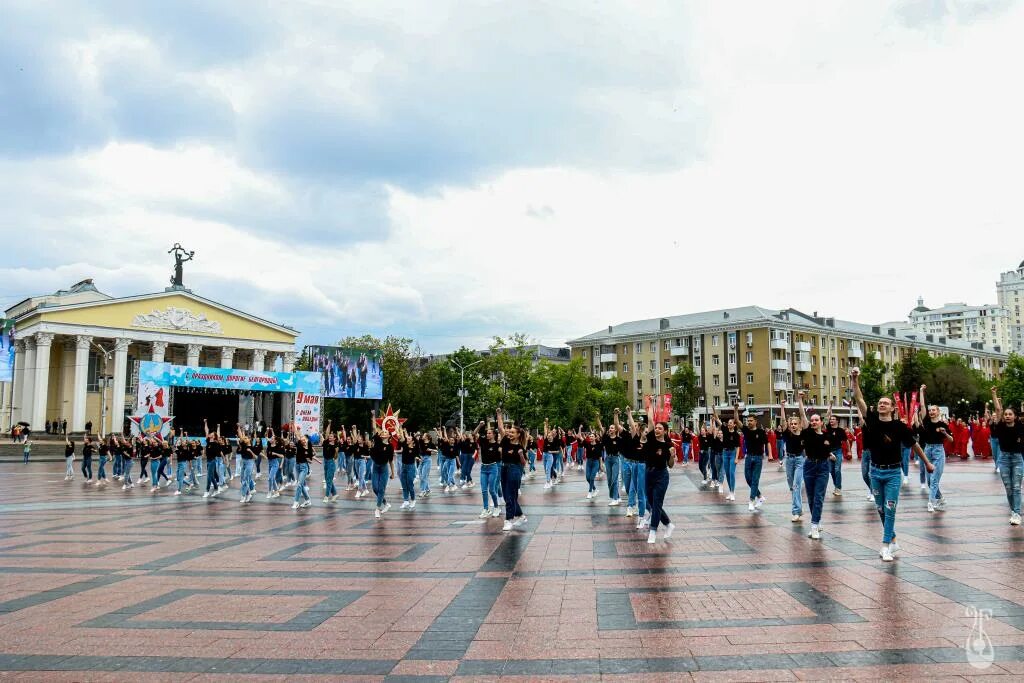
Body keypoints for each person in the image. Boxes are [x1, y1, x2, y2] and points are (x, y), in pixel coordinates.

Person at [852, 367, 933, 561]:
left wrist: (928, 463)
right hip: (875, 472)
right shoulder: (871, 420)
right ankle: (894, 539)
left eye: (885, 403)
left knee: (890, 508)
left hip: (893, 473)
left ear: (892, 408)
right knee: (880, 508)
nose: (881, 405)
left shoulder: (899, 427)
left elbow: (914, 445)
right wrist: (855, 380)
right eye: (880, 403)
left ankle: (886, 546)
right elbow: (859, 399)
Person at [795, 391, 837, 540]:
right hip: (809, 466)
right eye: (812, 420)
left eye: (816, 420)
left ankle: (814, 526)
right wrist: (799, 399)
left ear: (821, 422)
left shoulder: (826, 435)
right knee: (811, 497)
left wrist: (830, 455)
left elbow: (826, 449)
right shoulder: (807, 433)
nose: (813, 422)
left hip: (823, 468)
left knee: (819, 497)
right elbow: (801, 414)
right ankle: (817, 522)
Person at [642, 396, 676, 544]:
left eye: (659, 428)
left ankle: (653, 531)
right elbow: (650, 420)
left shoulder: (668, 446)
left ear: (665, 431)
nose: (656, 429)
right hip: (648, 473)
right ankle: (668, 524)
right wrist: (649, 405)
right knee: (651, 503)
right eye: (656, 428)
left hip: (661, 475)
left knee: (657, 503)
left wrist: (672, 456)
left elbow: (671, 465)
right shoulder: (651, 439)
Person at [990, 387, 1024, 525]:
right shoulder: (1001, 426)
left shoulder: (1021, 427)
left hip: (1017, 459)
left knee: (1016, 487)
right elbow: (998, 410)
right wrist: (994, 394)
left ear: (1015, 416)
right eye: (1006, 414)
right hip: (1003, 459)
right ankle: (1013, 511)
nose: (1007, 416)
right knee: (1008, 487)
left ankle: (1016, 513)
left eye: (1010, 414)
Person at [917, 385, 951, 513]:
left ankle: (931, 502)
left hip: (938, 451)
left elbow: (951, 439)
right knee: (930, 481)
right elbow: (922, 406)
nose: (931, 412)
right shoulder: (926, 421)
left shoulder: (943, 424)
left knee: (934, 478)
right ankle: (940, 499)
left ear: (938, 412)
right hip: (927, 450)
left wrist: (945, 433)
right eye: (930, 410)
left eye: (934, 410)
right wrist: (921, 391)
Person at [496, 409, 528, 531]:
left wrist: (520, 455)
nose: (510, 433)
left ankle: (508, 520)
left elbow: (524, 463)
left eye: (513, 432)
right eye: (510, 432)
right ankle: (521, 516)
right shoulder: (505, 440)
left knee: (510, 496)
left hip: (515, 469)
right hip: (504, 468)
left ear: (518, 435)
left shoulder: (520, 447)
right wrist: (499, 415)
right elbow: (500, 428)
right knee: (507, 496)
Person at [736, 402, 772, 512]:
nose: (749, 422)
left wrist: (770, 454)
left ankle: (752, 500)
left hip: (758, 458)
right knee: (748, 479)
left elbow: (768, 443)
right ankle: (760, 496)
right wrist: (736, 410)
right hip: (748, 457)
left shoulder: (761, 432)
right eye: (748, 420)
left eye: (751, 421)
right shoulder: (746, 430)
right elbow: (737, 421)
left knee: (755, 480)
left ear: (755, 421)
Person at [779, 396, 806, 522]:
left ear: (799, 424)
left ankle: (796, 511)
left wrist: (800, 401)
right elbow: (783, 420)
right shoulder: (787, 433)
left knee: (796, 486)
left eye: (795, 423)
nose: (793, 425)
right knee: (791, 484)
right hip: (789, 460)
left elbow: (802, 414)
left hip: (800, 461)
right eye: (792, 424)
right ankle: (799, 508)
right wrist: (782, 407)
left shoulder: (803, 434)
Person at [711, 404, 740, 501]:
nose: (729, 424)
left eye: (731, 423)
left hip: (732, 454)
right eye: (728, 422)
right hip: (725, 453)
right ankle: (730, 491)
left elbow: (738, 446)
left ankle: (732, 492)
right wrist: (714, 409)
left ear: (734, 424)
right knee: (727, 473)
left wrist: (736, 458)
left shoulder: (736, 434)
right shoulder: (724, 429)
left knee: (731, 473)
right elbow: (717, 418)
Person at [369, 418, 396, 518]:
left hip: (384, 469)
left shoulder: (390, 447)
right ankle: (386, 503)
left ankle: (377, 508)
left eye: (385, 432)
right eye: (382, 432)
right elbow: (374, 427)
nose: (383, 433)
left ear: (389, 436)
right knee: (375, 488)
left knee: (381, 489)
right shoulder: (377, 441)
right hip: (376, 467)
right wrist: (373, 416)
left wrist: (393, 473)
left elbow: (391, 461)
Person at [476, 421, 502, 518]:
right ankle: (486, 509)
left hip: (493, 468)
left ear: (494, 435)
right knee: (483, 490)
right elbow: (474, 434)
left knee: (492, 490)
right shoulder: (483, 441)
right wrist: (480, 425)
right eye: (487, 433)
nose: (487, 434)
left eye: (489, 433)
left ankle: (496, 507)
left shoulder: (497, 446)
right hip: (483, 468)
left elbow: (502, 457)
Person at [598, 413, 624, 507]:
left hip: (616, 459)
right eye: (610, 428)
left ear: (616, 429)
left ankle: (615, 499)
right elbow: (601, 428)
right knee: (609, 480)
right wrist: (597, 418)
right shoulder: (606, 438)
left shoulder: (619, 439)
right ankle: (616, 496)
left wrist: (616, 416)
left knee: (615, 479)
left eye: (612, 428)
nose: (610, 429)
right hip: (608, 459)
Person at [292, 432, 319, 509]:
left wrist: (310, 458)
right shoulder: (299, 445)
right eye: (302, 440)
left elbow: (310, 460)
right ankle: (307, 500)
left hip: (304, 467)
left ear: (307, 440)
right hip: (297, 466)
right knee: (301, 485)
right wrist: (295, 427)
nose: (303, 441)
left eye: (304, 440)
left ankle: (296, 502)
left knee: (299, 484)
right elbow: (297, 435)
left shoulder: (309, 450)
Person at [825, 407, 848, 496]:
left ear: (837, 421)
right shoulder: (828, 428)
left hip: (838, 451)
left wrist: (849, 451)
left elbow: (846, 441)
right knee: (831, 471)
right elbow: (826, 417)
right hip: (829, 452)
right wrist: (830, 407)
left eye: (833, 419)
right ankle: (836, 486)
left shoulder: (841, 430)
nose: (831, 420)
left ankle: (838, 488)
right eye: (831, 419)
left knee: (837, 469)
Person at [321, 422, 339, 504]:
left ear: (334, 438)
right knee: (328, 480)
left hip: (331, 463)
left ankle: (327, 496)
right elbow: (327, 432)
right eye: (329, 436)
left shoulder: (335, 446)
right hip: (325, 462)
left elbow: (335, 457)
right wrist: (329, 424)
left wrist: (336, 452)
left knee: (328, 480)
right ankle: (335, 494)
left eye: (331, 436)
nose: (329, 436)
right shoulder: (325, 442)